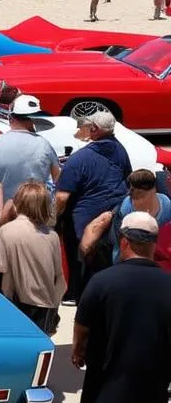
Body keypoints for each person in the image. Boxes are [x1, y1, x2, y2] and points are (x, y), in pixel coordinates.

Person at [72, 211, 171, 403]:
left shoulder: (104, 280)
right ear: (153, 245)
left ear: (124, 241)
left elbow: (82, 324)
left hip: (109, 367)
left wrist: (78, 350)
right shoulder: (168, 284)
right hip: (154, 370)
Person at [55, 110, 130, 298]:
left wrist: (52, 219)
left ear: (94, 129)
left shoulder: (79, 159)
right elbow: (127, 179)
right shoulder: (121, 151)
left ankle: (76, 294)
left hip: (83, 223)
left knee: (80, 262)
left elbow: (62, 198)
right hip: (114, 216)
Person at [0, 181, 65, 335]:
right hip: (45, 306)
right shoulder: (52, 236)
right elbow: (59, 279)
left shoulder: (6, 231)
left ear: (17, 203)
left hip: (14, 305)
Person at [0, 94, 60, 218]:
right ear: (33, 119)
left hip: (4, 214)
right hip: (36, 214)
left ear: (10, 118)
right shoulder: (44, 144)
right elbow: (58, 178)